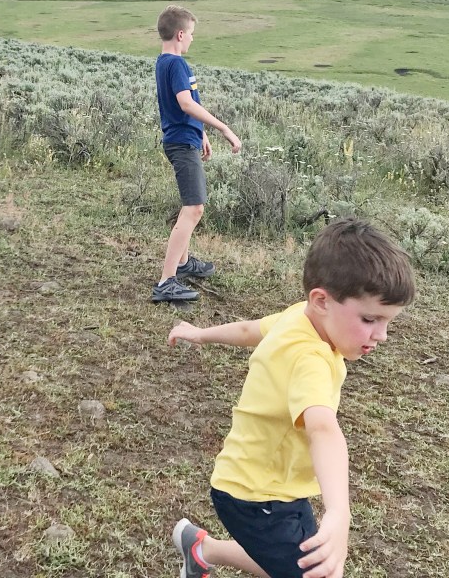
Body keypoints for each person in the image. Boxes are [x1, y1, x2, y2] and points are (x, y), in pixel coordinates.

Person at [167, 217, 416, 578]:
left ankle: (201, 550)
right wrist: (339, 512)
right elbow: (322, 429)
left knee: (295, 561)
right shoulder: (309, 358)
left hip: (282, 488)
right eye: (369, 319)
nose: (382, 335)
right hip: (255, 497)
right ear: (322, 300)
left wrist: (202, 333)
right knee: (316, 571)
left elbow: (250, 330)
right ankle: (201, 550)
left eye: (388, 321)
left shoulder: (300, 316)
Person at [152, 4, 241, 303]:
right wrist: (223, 128)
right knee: (194, 208)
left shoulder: (164, 62)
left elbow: (180, 107)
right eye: (191, 33)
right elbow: (186, 103)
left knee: (192, 206)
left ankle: (183, 263)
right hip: (180, 142)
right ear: (180, 34)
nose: (192, 38)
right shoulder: (177, 65)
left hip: (183, 138)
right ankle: (166, 281)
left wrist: (200, 133)